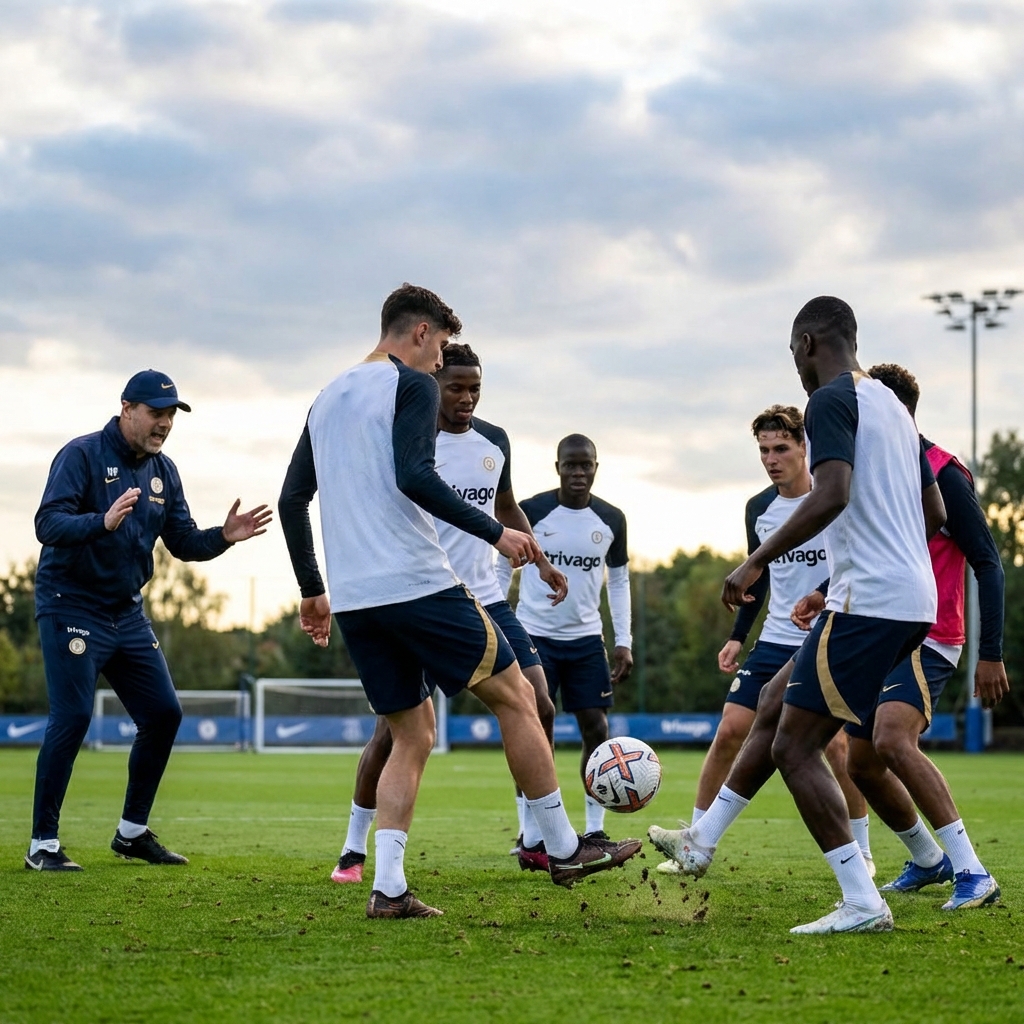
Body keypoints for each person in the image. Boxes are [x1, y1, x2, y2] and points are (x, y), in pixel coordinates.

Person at [278, 284, 640, 918]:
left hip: (358, 598)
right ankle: (560, 846)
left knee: (412, 733)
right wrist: (497, 532)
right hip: (418, 581)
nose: (441, 364)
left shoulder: (327, 395)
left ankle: (386, 887)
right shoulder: (410, 385)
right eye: (441, 347)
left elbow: (290, 501)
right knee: (519, 696)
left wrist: (313, 589)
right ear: (420, 333)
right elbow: (415, 475)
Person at [652, 296, 945, 935]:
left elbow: (832, 492)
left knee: (796, 745)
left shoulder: (831, 401)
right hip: (900, 596)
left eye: (793, 352)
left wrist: (754, 561)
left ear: (809, 342)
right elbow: (934, 515)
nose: (796, 366)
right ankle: (701, 841)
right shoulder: (893, 406)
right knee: (772, 707)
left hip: (872, 601)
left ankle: (862, 899)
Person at [323, 342, 568, 885]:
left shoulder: (494, 441)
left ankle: (536, 838)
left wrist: (543, 562)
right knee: (396, 733)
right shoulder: (410, 433)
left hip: (487, 594)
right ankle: (352, 847)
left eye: (475, 388)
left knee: (537, 701)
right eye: (456, 386)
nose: (466, 397)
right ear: (435, 383)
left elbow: (505, 508)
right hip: (429, 595)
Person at [27, 370, 272, 871]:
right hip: (70, 604)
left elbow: (183, 543)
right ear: (127, 409)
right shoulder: (82, 455)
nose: (164, 424)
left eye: (170, 416)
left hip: (125, 613)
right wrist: (102, 520)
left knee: (164, 714)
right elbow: (46, 524)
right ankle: (42, 845)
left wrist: (224, 536)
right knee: (72, 717)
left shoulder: (164, 472)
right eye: (156, 413)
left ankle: (132, 832)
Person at [655, 405, 874, 875]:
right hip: (774, 640)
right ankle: (695, 845)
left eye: (781, 449)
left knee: (834, 746)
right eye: (763, 451)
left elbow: (858, 562)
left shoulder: (835, 494)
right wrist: (738, 636)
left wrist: (821, 595)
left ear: (804, 448)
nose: (771, 459)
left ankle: (864, 852)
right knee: (730, 731)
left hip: (828, 635)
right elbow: (758, 578)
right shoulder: (758, 508)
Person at [823, 364, 1005, 910]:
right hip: (876, 629)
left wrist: (990, 654)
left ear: (895, 411)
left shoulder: (943, 471)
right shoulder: (877, 470)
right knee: (860, 764)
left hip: (930, 633)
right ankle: (928, 860)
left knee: (892, 738)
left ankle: (973, 872)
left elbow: (989, 563)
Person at [500, 434, 632, 843]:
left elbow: (620, 581)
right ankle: (530, 833)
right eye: (570, 465)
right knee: (535, 726)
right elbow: (504, 566)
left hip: (586, 639)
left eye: (585, 465)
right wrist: (499, 618)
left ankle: (595, 829)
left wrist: (623, 639)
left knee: (596, 727)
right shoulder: (533, 512)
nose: (578, 473)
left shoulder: (612, 519)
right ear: (557, 467)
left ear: (596, 467)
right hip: (533, 635)